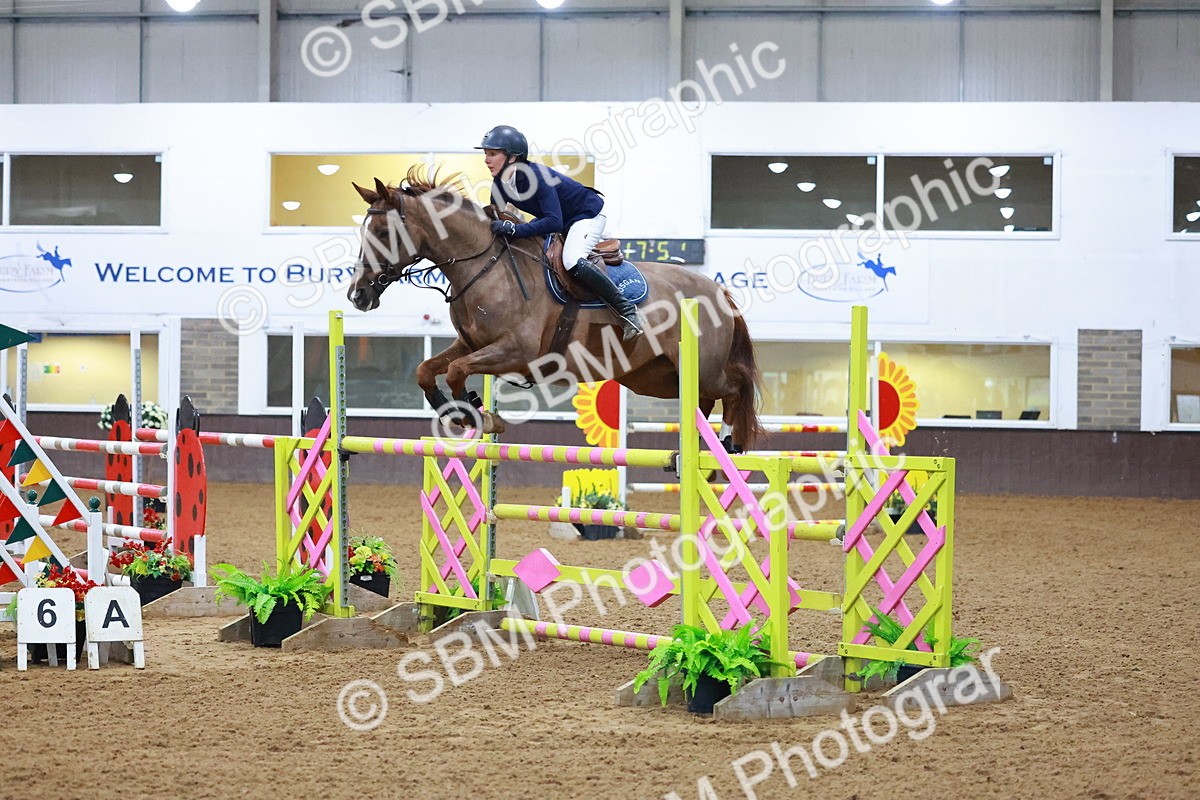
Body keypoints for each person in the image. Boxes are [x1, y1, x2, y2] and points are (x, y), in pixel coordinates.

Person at [478, 125, 643, 340]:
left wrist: (516, 229)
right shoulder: (499, 184)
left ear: (512, 158)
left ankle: (627, 311)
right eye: (485, 154)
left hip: (585, 215)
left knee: (572, 260)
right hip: (560, 218)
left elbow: (554, 222)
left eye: (492, 154)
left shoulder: (538, 176)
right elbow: (497, 218)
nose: (486, 160)